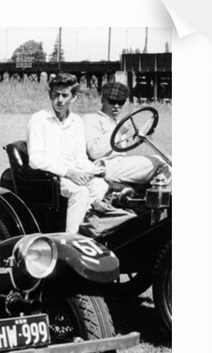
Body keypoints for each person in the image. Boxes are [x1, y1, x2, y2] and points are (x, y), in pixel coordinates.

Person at [26, 73, 109, 234]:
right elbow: (36, 159)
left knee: (101, 185)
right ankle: (72, 240)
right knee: (81, 192)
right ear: (50, 94)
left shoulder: (76, 121)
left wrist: (92, 170)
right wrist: (69, 173)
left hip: (72, 174)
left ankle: (88, 232)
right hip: (50, 177)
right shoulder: (38, 119)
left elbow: (80, 158)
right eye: (56, 94)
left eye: (65, 95)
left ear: (74, 97)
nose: (59, 100)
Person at [82, 81, 168, 185]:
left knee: (168, 160)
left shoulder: (117, 122)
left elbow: (121, 149)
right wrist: (118, 133)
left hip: (120, 164)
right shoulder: (91, 119)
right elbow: (94, 152)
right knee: (161, 161)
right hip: (105, 167)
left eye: (121, 102)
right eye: (112, 101)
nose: (116, 106)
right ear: (102, 100)